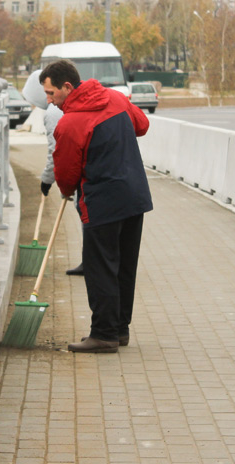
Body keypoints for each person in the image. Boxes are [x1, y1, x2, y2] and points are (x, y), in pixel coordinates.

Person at [40, 59, 152, 353]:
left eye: (51, 94)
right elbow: (142, 125)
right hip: (135, 196)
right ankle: (119, 330)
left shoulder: (71, 123)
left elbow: (66, 175)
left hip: (102, 203)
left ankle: (103, 334)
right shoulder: (115, 98)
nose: (49, 101)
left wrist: (66, 190)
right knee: (124, 267)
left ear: (67, 86)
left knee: (100, 267)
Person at [22, 70, 78, 274]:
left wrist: (47, 180)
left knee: (87, 215)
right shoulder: (59, 109)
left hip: (81, 175)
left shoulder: (53, 113)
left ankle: (93, 264)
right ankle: (91, 262)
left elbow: (56, 152)